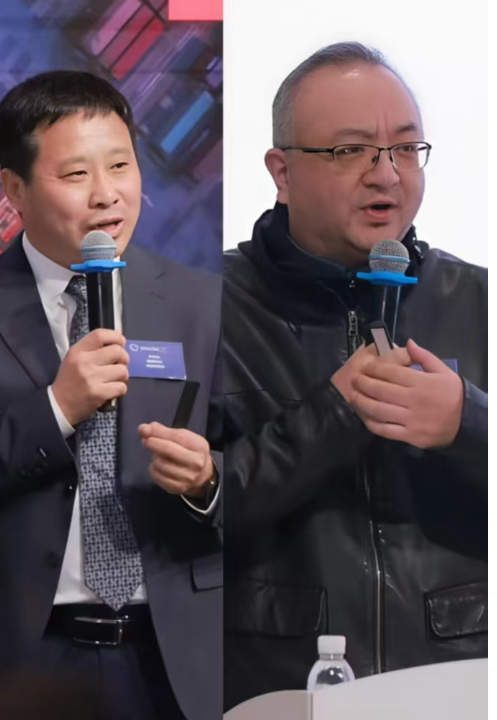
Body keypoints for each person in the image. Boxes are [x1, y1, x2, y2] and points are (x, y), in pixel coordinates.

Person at [0, 71, 222, 720]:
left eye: (120, 166)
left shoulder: (201, 303)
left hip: (171, 658)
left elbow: (256, 469)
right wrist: (56, 409)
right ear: (14, 188)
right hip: (13, 658)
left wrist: (207, 481)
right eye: (75, 175)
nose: (106, 195)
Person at [219, 42, 486, 709]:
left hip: (455, 680)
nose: (387, 175)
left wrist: (469, 424)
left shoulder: (478, 302)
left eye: (405, 148)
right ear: (281, 172)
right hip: (275, 685)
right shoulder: (205, 309)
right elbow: (172, 521)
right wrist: (334, 416)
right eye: (351, 151)